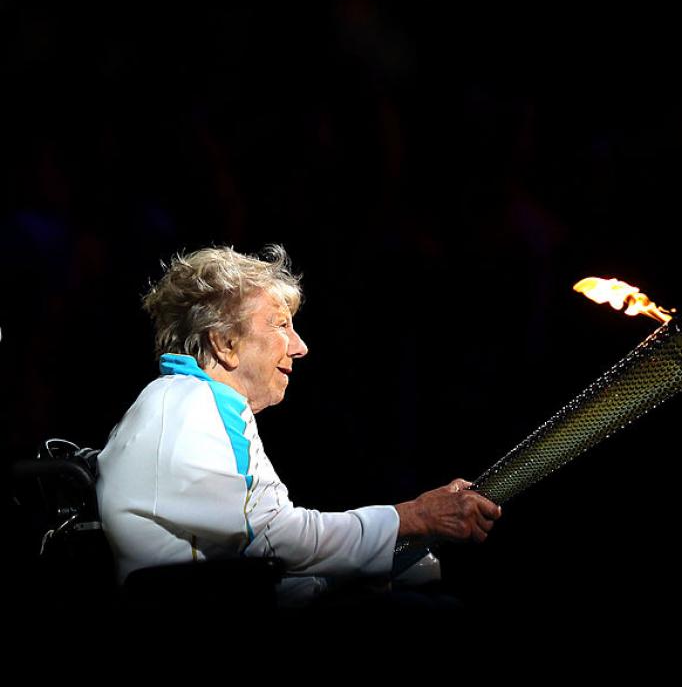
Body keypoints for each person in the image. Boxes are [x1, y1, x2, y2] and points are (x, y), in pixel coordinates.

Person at [96, 244, 501, 602]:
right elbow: (274, 540)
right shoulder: (191, 405)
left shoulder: (191, 402)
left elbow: (261, 552)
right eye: (279, 324)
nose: (300, 346)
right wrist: (417, 516)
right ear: (225, 343)